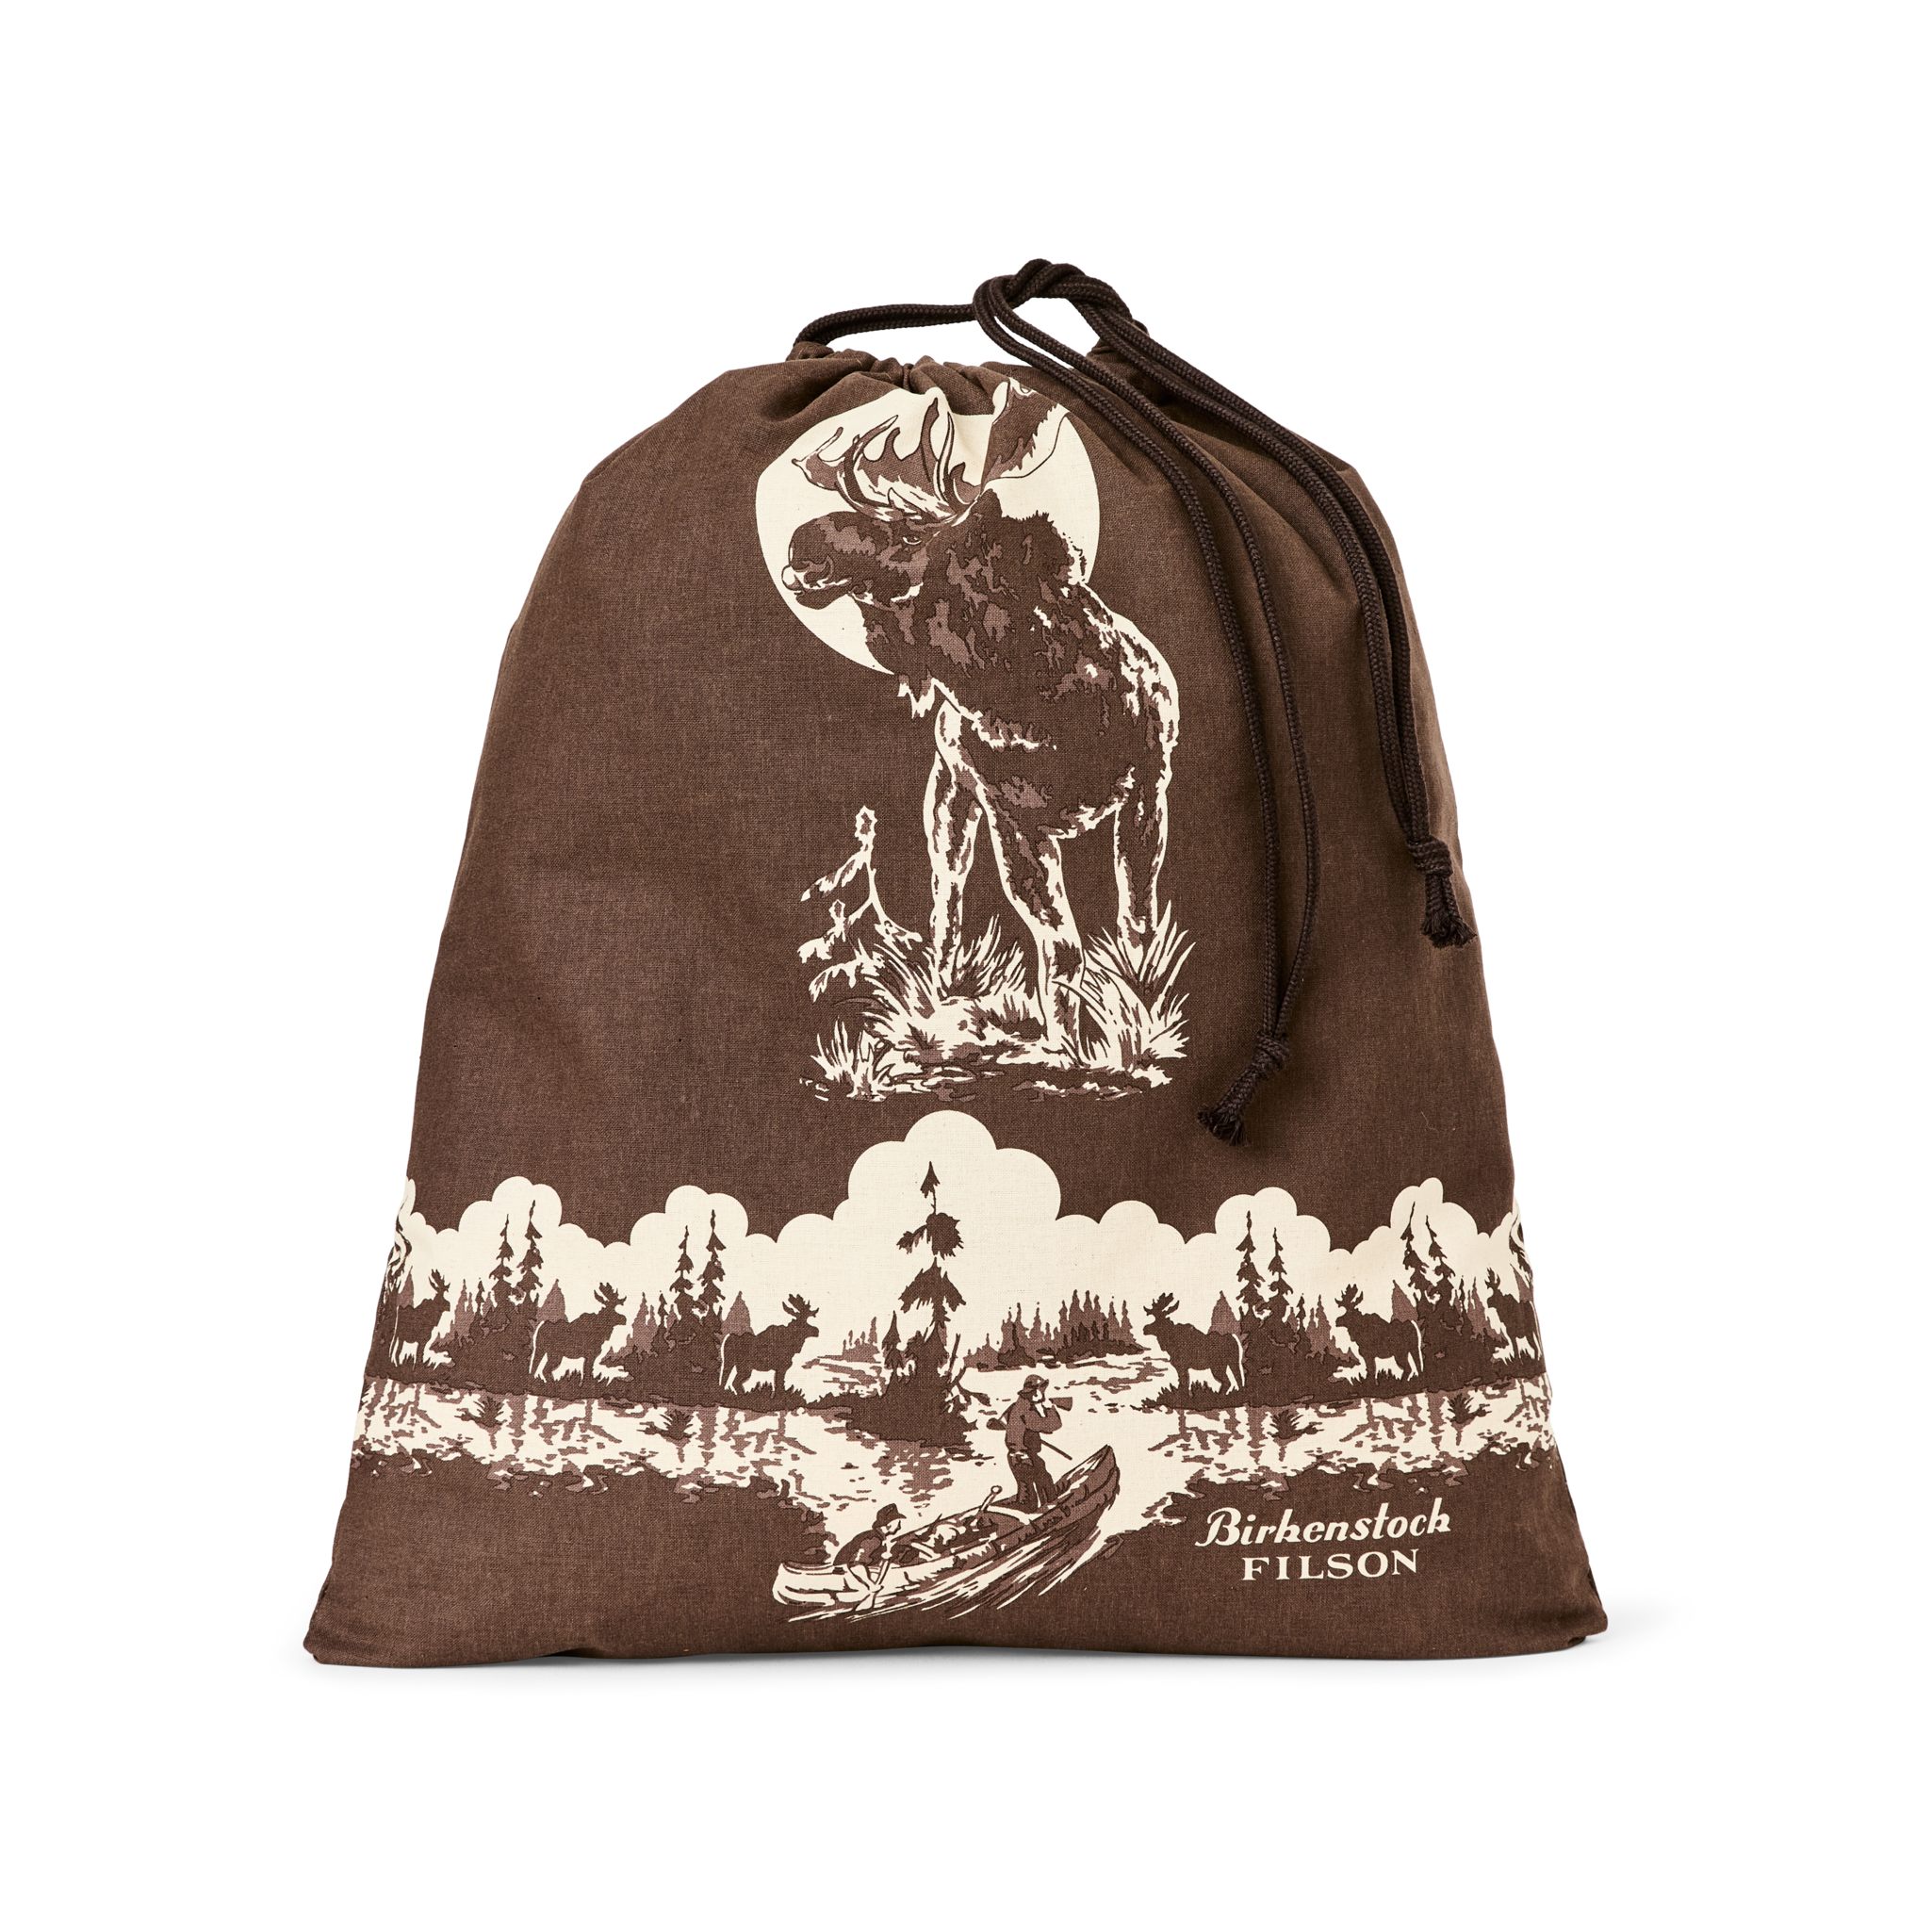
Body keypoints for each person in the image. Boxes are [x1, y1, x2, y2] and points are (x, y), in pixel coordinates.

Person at [1002, 1374, 1063, 1513]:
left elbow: (1001, 1422)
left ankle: (1048, 1505)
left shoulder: (1016, 1407)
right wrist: (1050, 1408)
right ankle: (1035, 1515)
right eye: (1041, 1390)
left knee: (1041, 1481)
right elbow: (1051, 1425)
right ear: (1035, 1392)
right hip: (1024, 1458)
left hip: (1020, 1456)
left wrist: (1021, 1431)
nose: (1043, 1393)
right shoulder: (1026, 1410)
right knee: (1030, 1496)